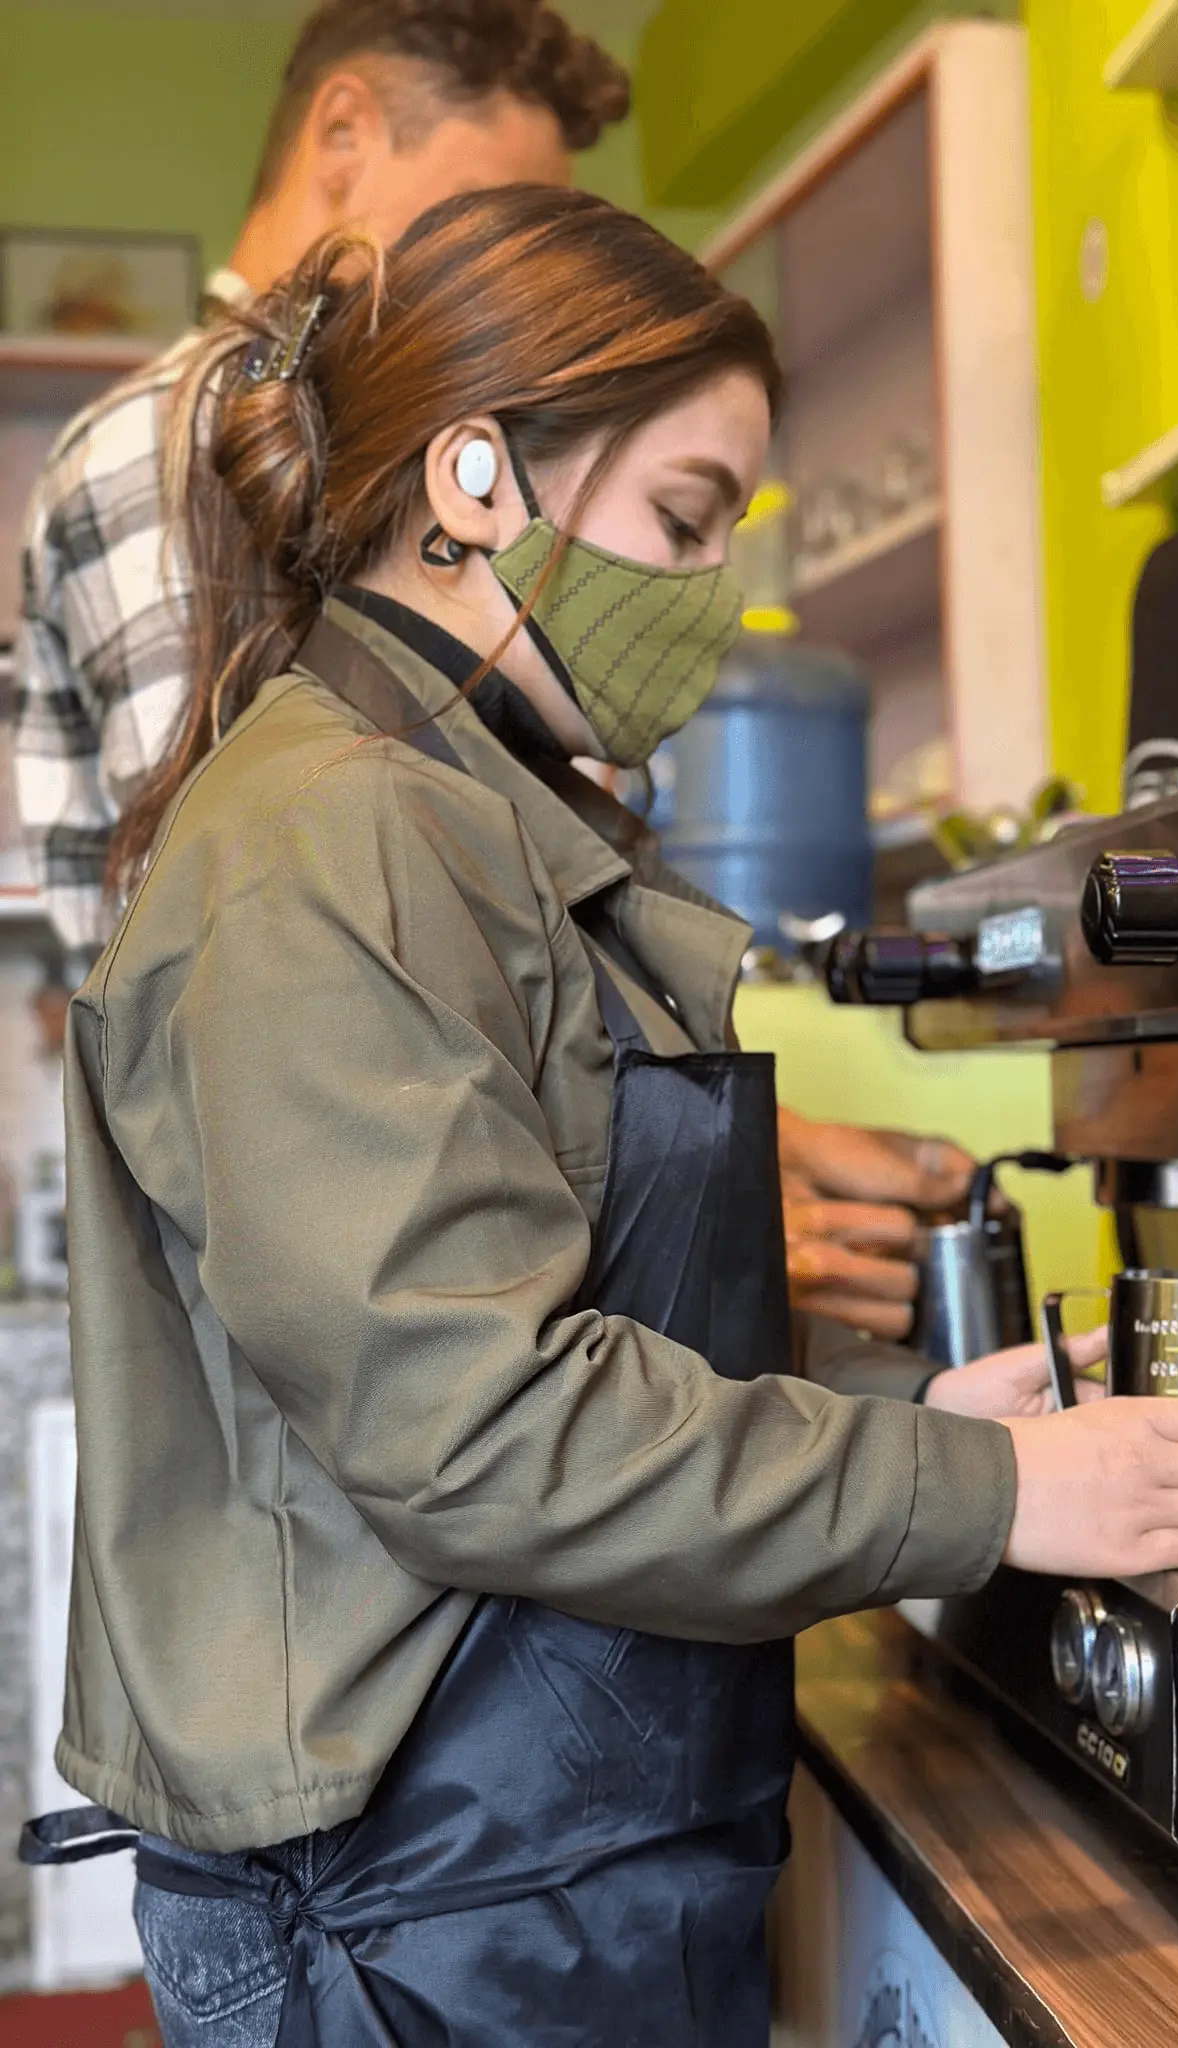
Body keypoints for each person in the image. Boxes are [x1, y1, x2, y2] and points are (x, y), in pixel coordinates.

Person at [22, 186, 1178, 2048]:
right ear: (474, 478)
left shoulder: (464, 813)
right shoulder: (331, 838)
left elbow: (561, 1300)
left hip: (535, 1862)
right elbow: (474, 1428)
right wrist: (997, 1492)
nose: (714, 595)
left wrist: (901, 1416)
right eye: (684, 522)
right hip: (409, 1903)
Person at [12, 0, 997, 1342]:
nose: (513, 275)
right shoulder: (160, 444)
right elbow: (275, 1015)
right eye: (484, 213)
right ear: (346, 133)